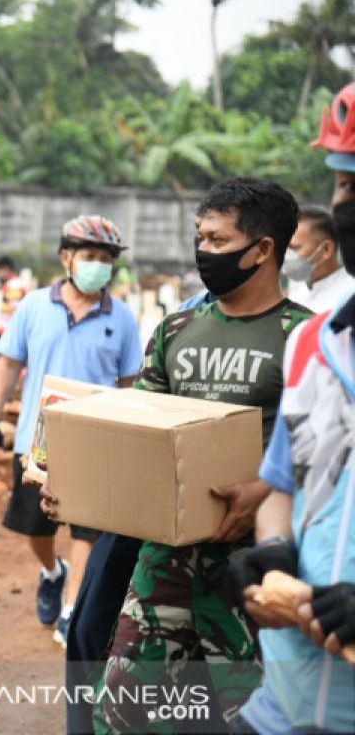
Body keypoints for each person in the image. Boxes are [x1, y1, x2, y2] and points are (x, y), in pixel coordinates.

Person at [87, 178, 311, 733]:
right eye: (200, 237)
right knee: (120, 714)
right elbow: (135, 429)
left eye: (217, 239)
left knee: (252, 717)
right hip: (163, 560)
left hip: (253, 570)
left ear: (262, 250)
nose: (203, 251)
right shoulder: (176, 330)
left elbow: (324, 454)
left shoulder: (308, 340)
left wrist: (262, 489)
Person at [227, 81, 355, 735]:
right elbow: (283, 479)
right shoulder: (313, 343)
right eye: (345, 186)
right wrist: (272, 552)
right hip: (288, 694)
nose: (347, 204)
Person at [0, 214, 142, 646]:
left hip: (97, 440)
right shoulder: (33, 306)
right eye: (89, 256)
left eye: (106, 258)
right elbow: (10, 362)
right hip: (39, 439)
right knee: (36, 528)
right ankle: (52, 571)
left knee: (87, 531)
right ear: (66, 257)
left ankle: (72, 612)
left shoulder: (122, 318)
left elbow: (130, 383)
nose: (98, 265)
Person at [285, 205, 355, 312]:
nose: (286, 255)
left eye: (294, 248)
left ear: (326, 249)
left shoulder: (350, 298)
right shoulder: (294, 298)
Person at [0, 255, 27, 359]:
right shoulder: (14, 284)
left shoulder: (14, 285)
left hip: (6, 332)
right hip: (7, 331)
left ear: (5, 269)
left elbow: (14, 309)